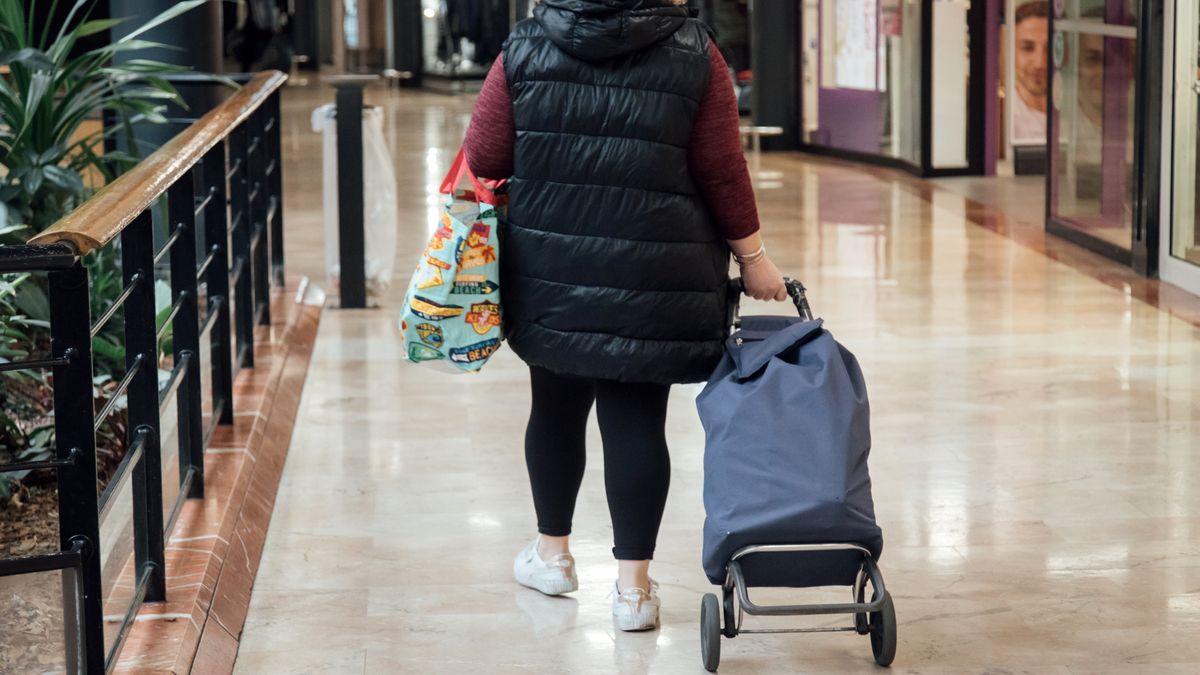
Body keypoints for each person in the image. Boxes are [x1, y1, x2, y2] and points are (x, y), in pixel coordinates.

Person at [462, 0, 786, 632]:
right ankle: (633, 593)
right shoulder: (696, 52)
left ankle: (553, 557)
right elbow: (722, 170)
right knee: (637, 421)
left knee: (553, 410)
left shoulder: (525, 46)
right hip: (656, 273)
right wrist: (753, 257)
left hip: (550, 267)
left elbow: (485, 155)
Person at [1011, 0, 1049, 144]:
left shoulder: (1078, 116)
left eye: (1049, 48)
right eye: (1027, 48)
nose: (1040, 63)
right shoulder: (1002, 121)